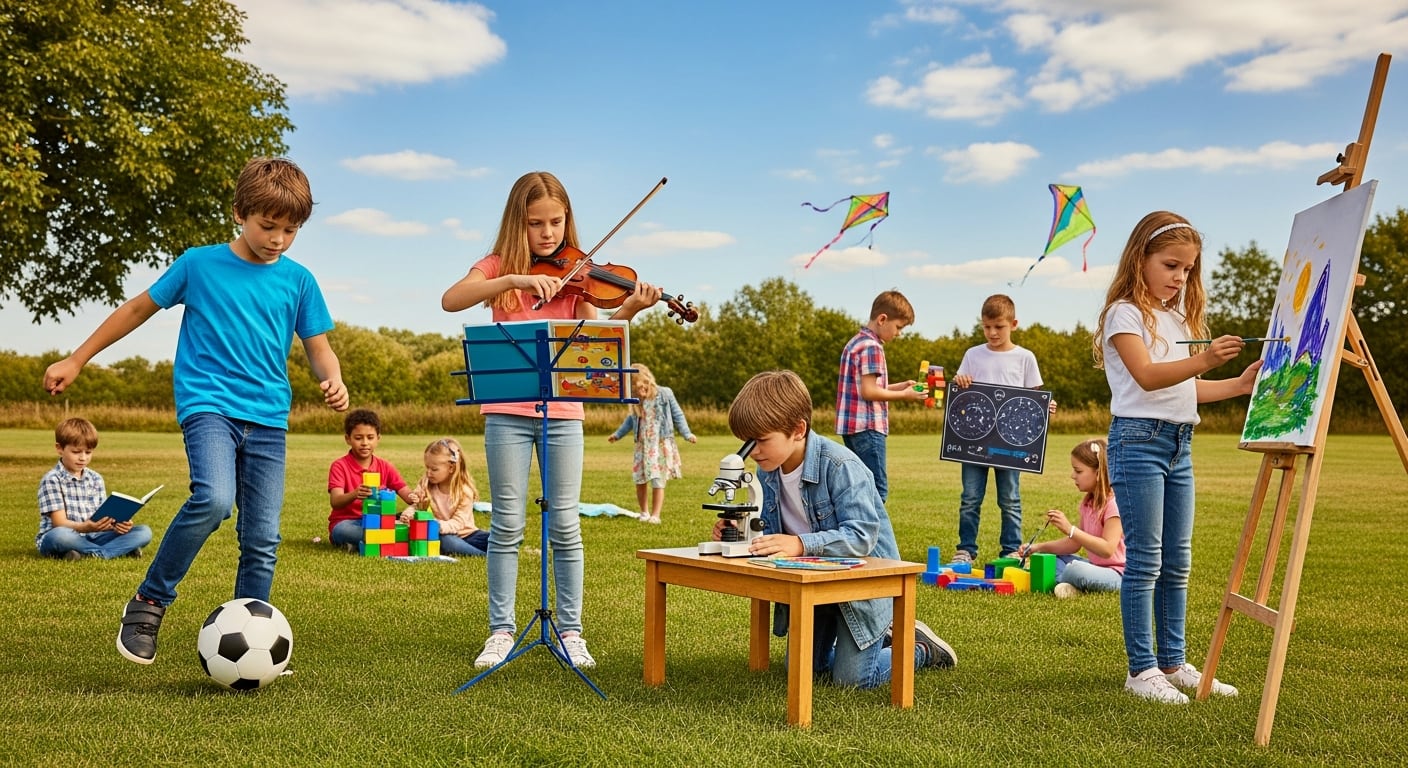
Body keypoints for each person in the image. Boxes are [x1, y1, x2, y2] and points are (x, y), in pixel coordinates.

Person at [43, 157, 349, 666]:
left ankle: (253, 633)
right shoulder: (198, 264)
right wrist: (78, 357)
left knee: (262, 538)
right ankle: (148, 602)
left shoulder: (299, 280)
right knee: (213, 499)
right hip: (209, 405)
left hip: (270, 418)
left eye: (290, 230)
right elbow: (137, 309)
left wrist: (331, 377)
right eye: (267, 226)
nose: (277, 239)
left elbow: (318, 345)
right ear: (239, 213)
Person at [441, 170, 664, 670]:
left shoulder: (579, 271)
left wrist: (631, 306)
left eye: (555, 222)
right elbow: (451, 299)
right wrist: (517, 278)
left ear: (568, 221)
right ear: (517, 223)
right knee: (506, 523)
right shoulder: (498, 266)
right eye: (535, 224)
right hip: (507, 411)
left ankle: (571, 629)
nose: (547, 233)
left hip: (563, 412)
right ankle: (500, 630)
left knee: (565, 523)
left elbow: (598, 337)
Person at [1095, 211, 1259, 704]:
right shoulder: (1123, 314)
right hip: (1137, 443)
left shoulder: (1178, 318)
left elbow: (1186, 388)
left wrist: (1238, 384)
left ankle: (1172, 661)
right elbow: (1147, 376)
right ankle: (1141, 670)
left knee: (1177, 561)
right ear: (1139, 258)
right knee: (1145, 561)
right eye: (1170, 265)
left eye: (1187, 270)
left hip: (1179, 443)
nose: (1179, 277)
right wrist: (1205, 358)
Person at [716, 370, 956, 688]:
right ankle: (857, 647)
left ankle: (920, 648)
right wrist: (738, 529)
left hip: (862, 586)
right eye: (746, 442)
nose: (753, 451)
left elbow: (862, 536)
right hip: (816, 584)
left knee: (853, 681)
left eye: (760, 441)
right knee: (801, 670)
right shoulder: (768, 472)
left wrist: (800, 544)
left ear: (798, 430)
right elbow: (771, 536)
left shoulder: (841, 467)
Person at [951, 293, 1053, 563]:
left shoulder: (1025, 358)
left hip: (1010, 444)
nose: (992, 333)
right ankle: (965, 550)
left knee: (1010, 499)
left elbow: (1034, 398)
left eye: (999, 327)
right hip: (975, 442)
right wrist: (960, 380)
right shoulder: (973, 355)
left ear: (1014, 324)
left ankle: (1011, 550)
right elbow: (961, 390)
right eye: (987, 327)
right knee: (970, 497)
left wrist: (1045, 409)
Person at [835, 290, 925, 501]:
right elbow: (869, 392)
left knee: (861, 487)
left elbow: (866, 387)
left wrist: (901, 386)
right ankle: (875, 535)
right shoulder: (872, 347)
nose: (899, 333)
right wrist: (905, 395)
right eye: (898, 327)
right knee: (877, 491)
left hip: (852, 428)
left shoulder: (856, 342)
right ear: (882, 319)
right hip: (868, 427)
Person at [1015, 438, 1124, 598]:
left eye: (1078, 471)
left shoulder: (1114, 504)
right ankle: (1071, 585)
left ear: (1099, 472)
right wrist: (1038, 547)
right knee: (1051, 560)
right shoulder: (1088, 503)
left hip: (1118, 575)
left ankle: (1068, 581)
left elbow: (1107, 549)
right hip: (1095, 568)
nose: (1073, 476)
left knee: (1076, 570)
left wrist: (1070, 529)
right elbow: (1074, 544)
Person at [36, 417, 154, 560]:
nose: (83, 458)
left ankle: (89, 553)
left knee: (144, 532)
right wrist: (86, 527)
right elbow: (59, 523)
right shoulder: (52, 480)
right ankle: (116, 551)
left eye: (88, 452)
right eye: (76, 452)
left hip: (96, 536)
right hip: (66, 535)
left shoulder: (96, 478)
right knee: (59, 536)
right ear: (59, 449)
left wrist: (118, 525)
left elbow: (103, 517)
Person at [608, 363, 696, 523]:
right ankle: (644, 512)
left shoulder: (664, 394)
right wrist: (618, 434)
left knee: (658, 479)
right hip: (642, 446)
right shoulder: (636, 400)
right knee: (640, 479)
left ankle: (655, 515)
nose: (637, 389)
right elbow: (630, 420)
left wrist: (687, 433)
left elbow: (678, 414)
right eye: (633, 387)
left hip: (660, 445)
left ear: (647, 380)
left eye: (639, 384)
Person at [327, 409, 415, 553]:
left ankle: (367, 541)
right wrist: (355, 494)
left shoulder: (385, 466)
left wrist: (417, 497)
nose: (364, 443)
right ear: (348, 439)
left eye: (370, 437)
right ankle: (388, 538)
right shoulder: (339, 466)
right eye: (358, 438)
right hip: (347, 521)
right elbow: (335, 501)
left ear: (378, 438)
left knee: (400, 523)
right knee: (342, 531)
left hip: (379, 521)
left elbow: (407, 494)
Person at [400, 437, 488, 557]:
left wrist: (435, 525)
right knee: (446, 541)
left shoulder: (464, 492)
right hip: (443, 536)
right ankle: (483, 556)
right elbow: (417, 506)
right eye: (427, 468)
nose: (428, 473)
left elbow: (457, 524)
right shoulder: (426, 484)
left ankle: (498, 547)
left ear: (451, 468)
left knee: (494, 538)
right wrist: (408, 514)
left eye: (434, 469)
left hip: (468, 534)